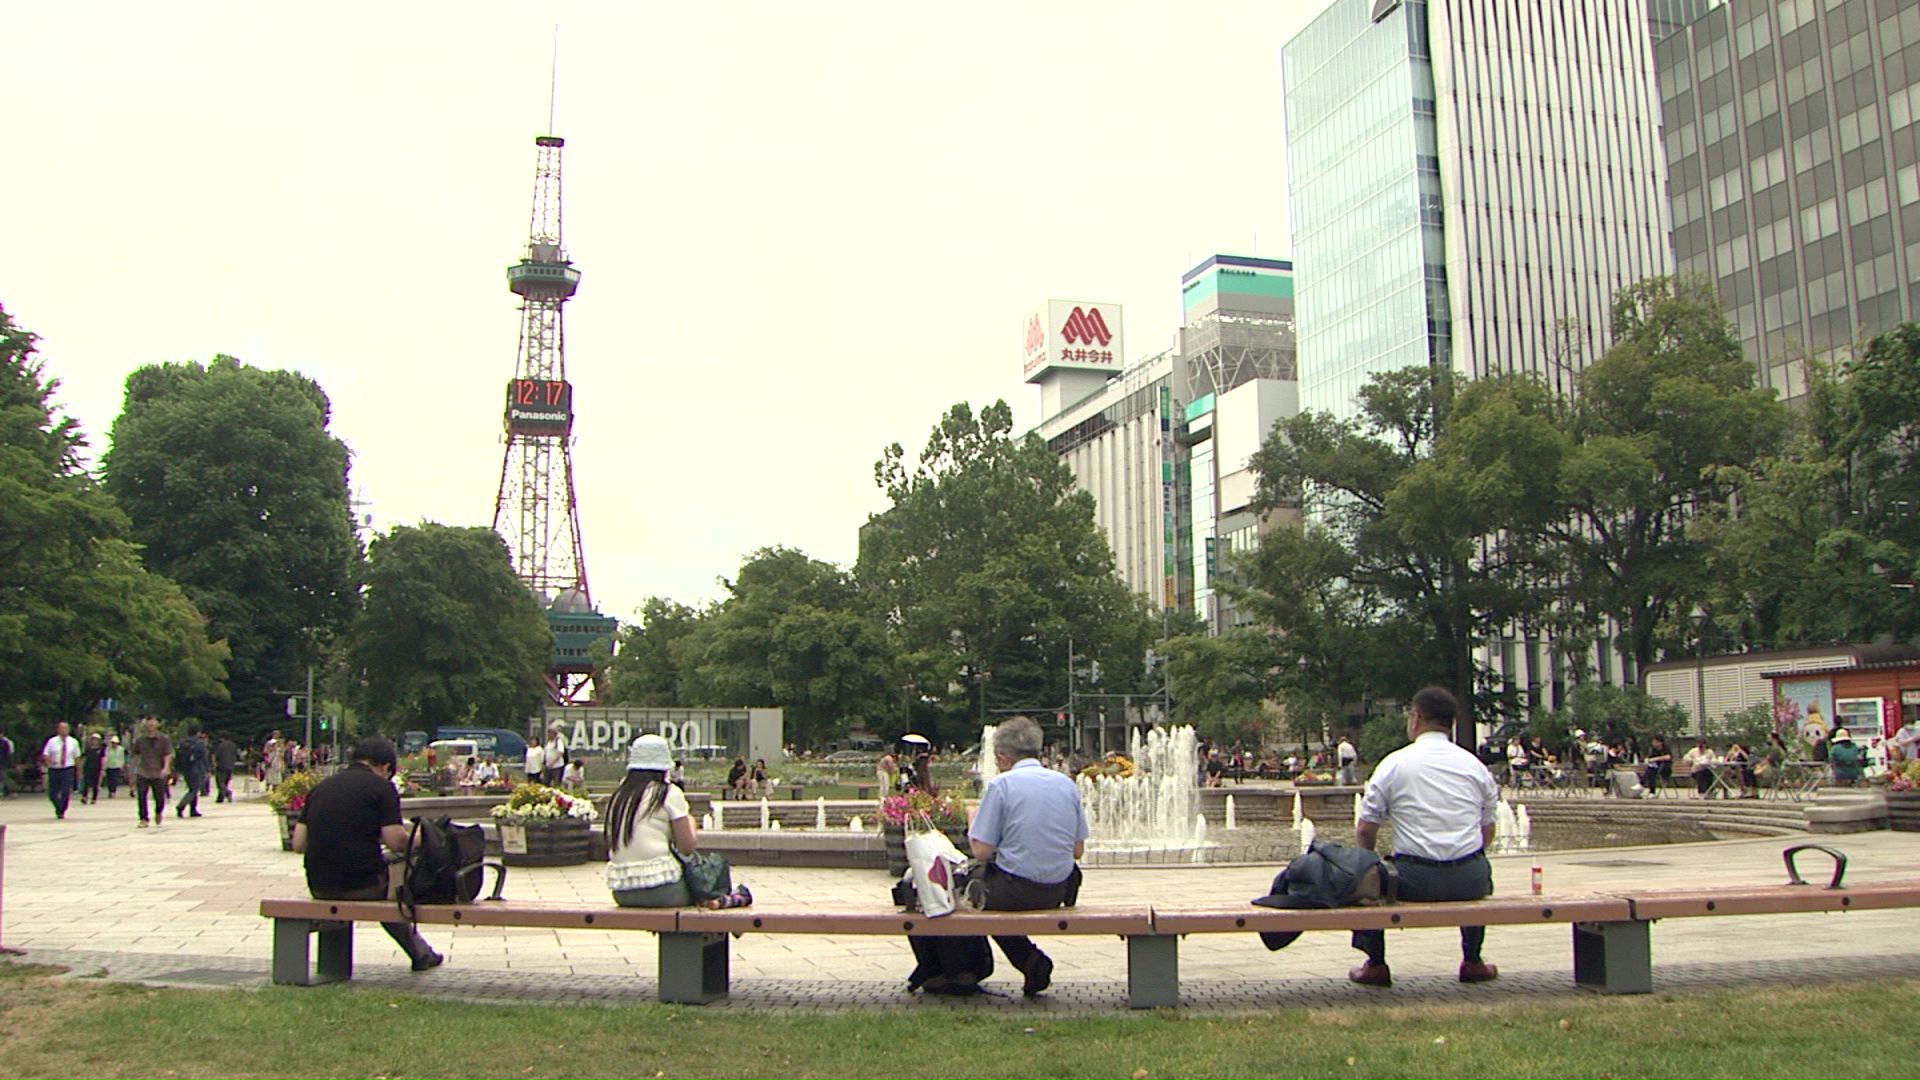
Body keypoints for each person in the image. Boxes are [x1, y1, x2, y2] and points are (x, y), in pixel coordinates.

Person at [1348, 687, 1499, 988]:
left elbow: (1366, 829)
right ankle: (1473, 960)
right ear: (1450, 723)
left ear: (1416, 718)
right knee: (1477, 864)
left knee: (1368, 875)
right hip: (1470, 878)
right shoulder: (1475, 767)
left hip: (1415, 879)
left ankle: (1376, 964)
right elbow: (1488, 830)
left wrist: (1369, 859)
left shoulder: (1395, 764)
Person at [291, 736, 441, 972]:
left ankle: (421, 952)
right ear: (386, 767)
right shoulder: (382, 788)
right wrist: (423, 836)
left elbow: (298, 843)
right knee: (394, 885)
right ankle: (420, 952)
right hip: (362, 885)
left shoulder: (321, 788)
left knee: (372, 873)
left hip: (320, 884)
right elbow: (396, 842)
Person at [967, 715, 1088, 998]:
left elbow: (981, 851)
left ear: (1003, 757)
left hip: (1016, 889)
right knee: (993, 894)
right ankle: (1030, 962)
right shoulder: (1066, 784)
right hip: (1058, 889)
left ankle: (968, 968)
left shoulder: (1003, 785)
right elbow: (1077, 851)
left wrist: (974, 823)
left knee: (971, 891)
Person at [605, 734, 746, 908]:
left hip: (622, 892)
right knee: (714, 873)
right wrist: (691, 823)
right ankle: (732, 898)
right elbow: (687, 847)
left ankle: (725, 900)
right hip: (663, 890)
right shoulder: (667, 793)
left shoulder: (619, 796)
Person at [131, 716, 173, 828]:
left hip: (158, 772)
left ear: (157, 725)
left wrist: (166, 767)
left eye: (153, 725)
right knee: (141, 796)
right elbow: (135, 754)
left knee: (159, 797)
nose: (151, 727)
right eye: (149, 725)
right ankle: (143, 818)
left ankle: (159, 812)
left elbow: (167, 754)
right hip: (143, 771)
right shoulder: (140, 740)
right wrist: (133, 769)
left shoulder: (164, 739)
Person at [41, 721, 82, 819]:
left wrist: (79, 770)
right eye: (61, 728)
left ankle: (62, 810)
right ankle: (58, 806)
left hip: (67, 768)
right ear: (58, 730)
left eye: (66, 728)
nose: (64, 730)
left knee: (65, 791)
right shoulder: (52, 741)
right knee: (53, 792)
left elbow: (77, 757)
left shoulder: (73, 742)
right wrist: (49, 761)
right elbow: (45, 754)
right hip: (54, 768)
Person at [174, 728, 210, 818]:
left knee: (192, 788)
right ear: (197, 733)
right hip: (197, 768)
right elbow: (204, 757)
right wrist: (207, 770)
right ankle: (181, 806)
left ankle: (193, 809)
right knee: (194, 790)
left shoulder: (182, 743)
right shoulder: (199, 743)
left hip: (186, 769)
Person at [79, 733, 106, 805]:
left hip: (97, 768)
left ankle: (94, 798)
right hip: (88, 767)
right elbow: (83, 758)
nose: (94, 741)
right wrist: (81, 768)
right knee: (86, 783)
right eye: (93, 739)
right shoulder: (88, 749)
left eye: (96, 740)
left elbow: (103, 759)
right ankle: (84, 797)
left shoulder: (101, 749)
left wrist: (103, 769)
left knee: (95, 784)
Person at [213, 733, 238, 803]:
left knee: (220, 782)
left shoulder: (221, 746)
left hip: (222, 766)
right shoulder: (234, 745)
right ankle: (220, 798)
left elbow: (216, 756)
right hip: (231, 766)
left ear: (222, 738)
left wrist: (214, 764)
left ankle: (228, 792)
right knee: (226, 782)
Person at [103, 734, 127, 799]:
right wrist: (104, 766)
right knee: (109, 780)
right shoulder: (108, 749)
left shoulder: (121, 749)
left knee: (115, 780)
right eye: (113, 743)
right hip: (109, 766)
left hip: (117, 766)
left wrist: (122, 766)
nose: (114, 744)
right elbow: (106, 757)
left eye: (115, 743)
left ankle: (113, 791)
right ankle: (110, 791)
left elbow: (122, 758)